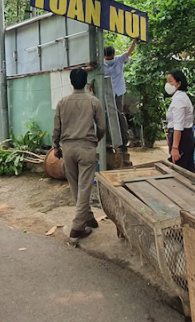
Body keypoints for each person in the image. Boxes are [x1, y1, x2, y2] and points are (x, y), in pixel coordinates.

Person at [52, 68, 106, 245]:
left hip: (67, 149)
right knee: (84, 187)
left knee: (75, 186)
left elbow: (57, 129)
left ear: (71, 82)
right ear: (86, 82)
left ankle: (88, 217)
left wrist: (55, 146)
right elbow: (102, 127)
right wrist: (95, 140)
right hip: (86, 147)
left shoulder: (62, 102)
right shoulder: (94, 102)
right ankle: (77, 227)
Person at [103, 38, 137, 151]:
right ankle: (110, 140)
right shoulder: (102, 64)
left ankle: (125, 139)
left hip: (118, 91)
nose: (110, 60)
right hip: (108, 92)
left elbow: (128, 52)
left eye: (111, 58)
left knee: (119, 114)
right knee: (107, 114)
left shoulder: (119, 60)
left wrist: (133, 42)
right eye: (107, 58)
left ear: (114, 55)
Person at [165, 70, 195, 173]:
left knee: (180, 172)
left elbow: (178, 125)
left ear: (179, 83)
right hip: (182, 138)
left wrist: (175, 147)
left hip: (182, 139)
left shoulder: (179, 100)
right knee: (188, 170)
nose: (168, 84)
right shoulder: (179, 97)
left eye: (170, 81)